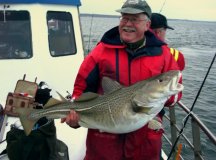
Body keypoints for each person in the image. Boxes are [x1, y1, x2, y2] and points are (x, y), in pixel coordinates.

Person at [61, 0, 182, 159]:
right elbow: (81, 88)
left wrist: (169, 96)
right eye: (124, 18)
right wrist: (74, 115)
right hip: (104, 143)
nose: (127, 24)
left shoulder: (163, 54)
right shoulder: (101, 52)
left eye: (134, 19)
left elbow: (176, 90)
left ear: (147, 25)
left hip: (144, 144)